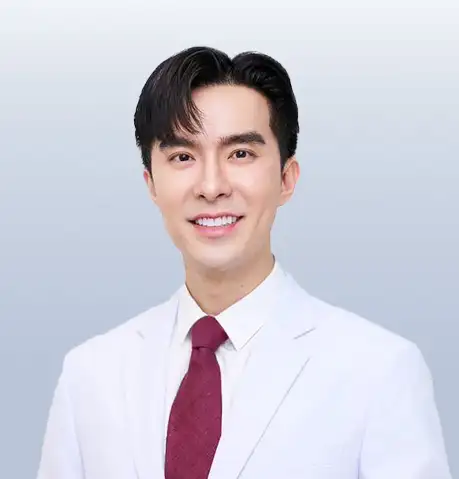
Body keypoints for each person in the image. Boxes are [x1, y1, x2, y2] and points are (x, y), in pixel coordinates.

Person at [37, 46, 452, 479]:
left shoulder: (378, 372)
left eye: (240, 154)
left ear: (286, 178)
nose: (211, 186)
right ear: (151, 184)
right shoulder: (91, 375)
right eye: (183, 157)